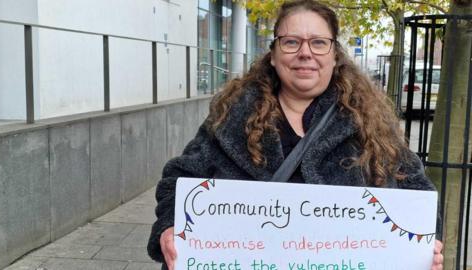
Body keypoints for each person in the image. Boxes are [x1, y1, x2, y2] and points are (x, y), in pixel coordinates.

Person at [147, 0, 443, 269]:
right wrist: (171, 227)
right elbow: (178, 179)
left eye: (318, 42)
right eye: (291, 42)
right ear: (273, 55)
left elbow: (418, 195)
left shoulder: (373, 125)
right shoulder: (230, 118)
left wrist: (425, 246)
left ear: (335, 55)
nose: (305, 53)